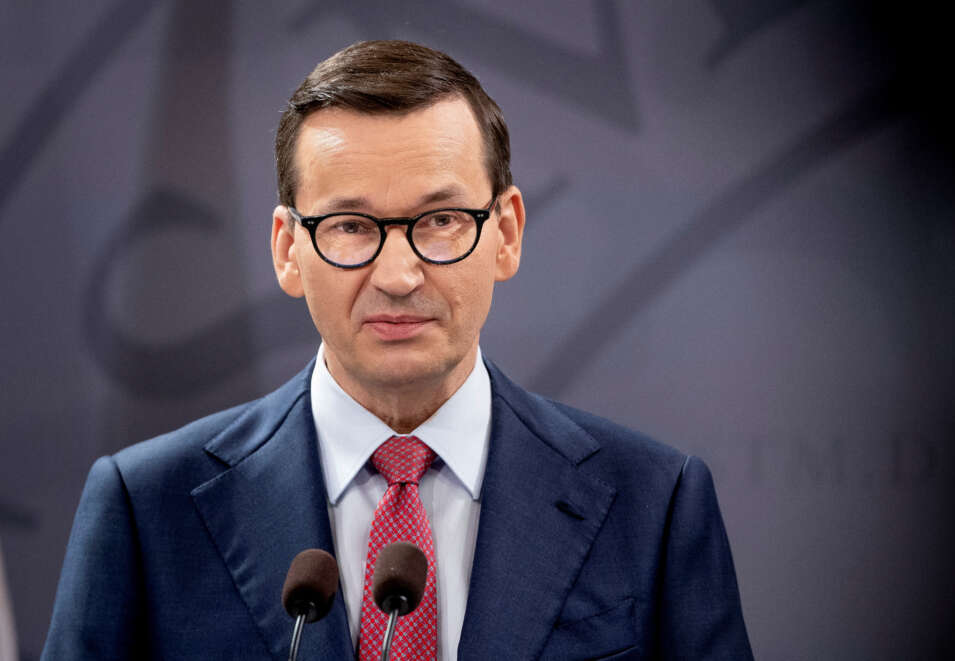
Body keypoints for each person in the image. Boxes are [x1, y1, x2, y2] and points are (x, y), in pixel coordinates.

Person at [43, 40, 752, 660]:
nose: (399, 274)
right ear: (289, 250)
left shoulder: (655, 505)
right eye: (351, 226)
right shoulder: (146, 510)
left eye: (441, 220)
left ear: (505, 233)